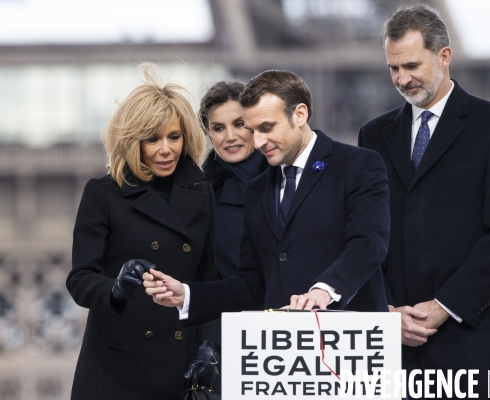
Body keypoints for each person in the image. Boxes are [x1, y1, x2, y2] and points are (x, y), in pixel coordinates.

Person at [358, 4, 490, 397]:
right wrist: (387, 312)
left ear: (444, 56)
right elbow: (366, 234)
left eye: (411, 65)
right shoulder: (373, 135)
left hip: (475, 340)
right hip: (399, 347)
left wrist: (443, 305)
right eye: (393, 68)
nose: (402, 78)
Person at [143, 69, 390, 324]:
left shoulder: (358, 164)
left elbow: (369, 244)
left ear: (300, 114)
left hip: (353, 341)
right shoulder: (258, 189)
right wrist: (187, 294)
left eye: (267, 128)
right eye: (253, 130)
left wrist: (324, 290)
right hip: (279, 346)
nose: (259, 142)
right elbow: (251, 283)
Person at [66, 64, 218, 400]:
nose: (166, 149)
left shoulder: (202, 192)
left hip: (182, 363)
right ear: (133, 141)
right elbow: (80, 279)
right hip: (119, 364)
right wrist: (117, 287)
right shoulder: (103, 192)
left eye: (174, 137)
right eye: (153, 139)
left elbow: (209, 281)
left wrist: (209, 345)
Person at [199, 81, 269, 278]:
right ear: (208, 133)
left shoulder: (288, 178)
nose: (230, 137)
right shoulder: (202, 196)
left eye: (239, 124)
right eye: (219, 128)